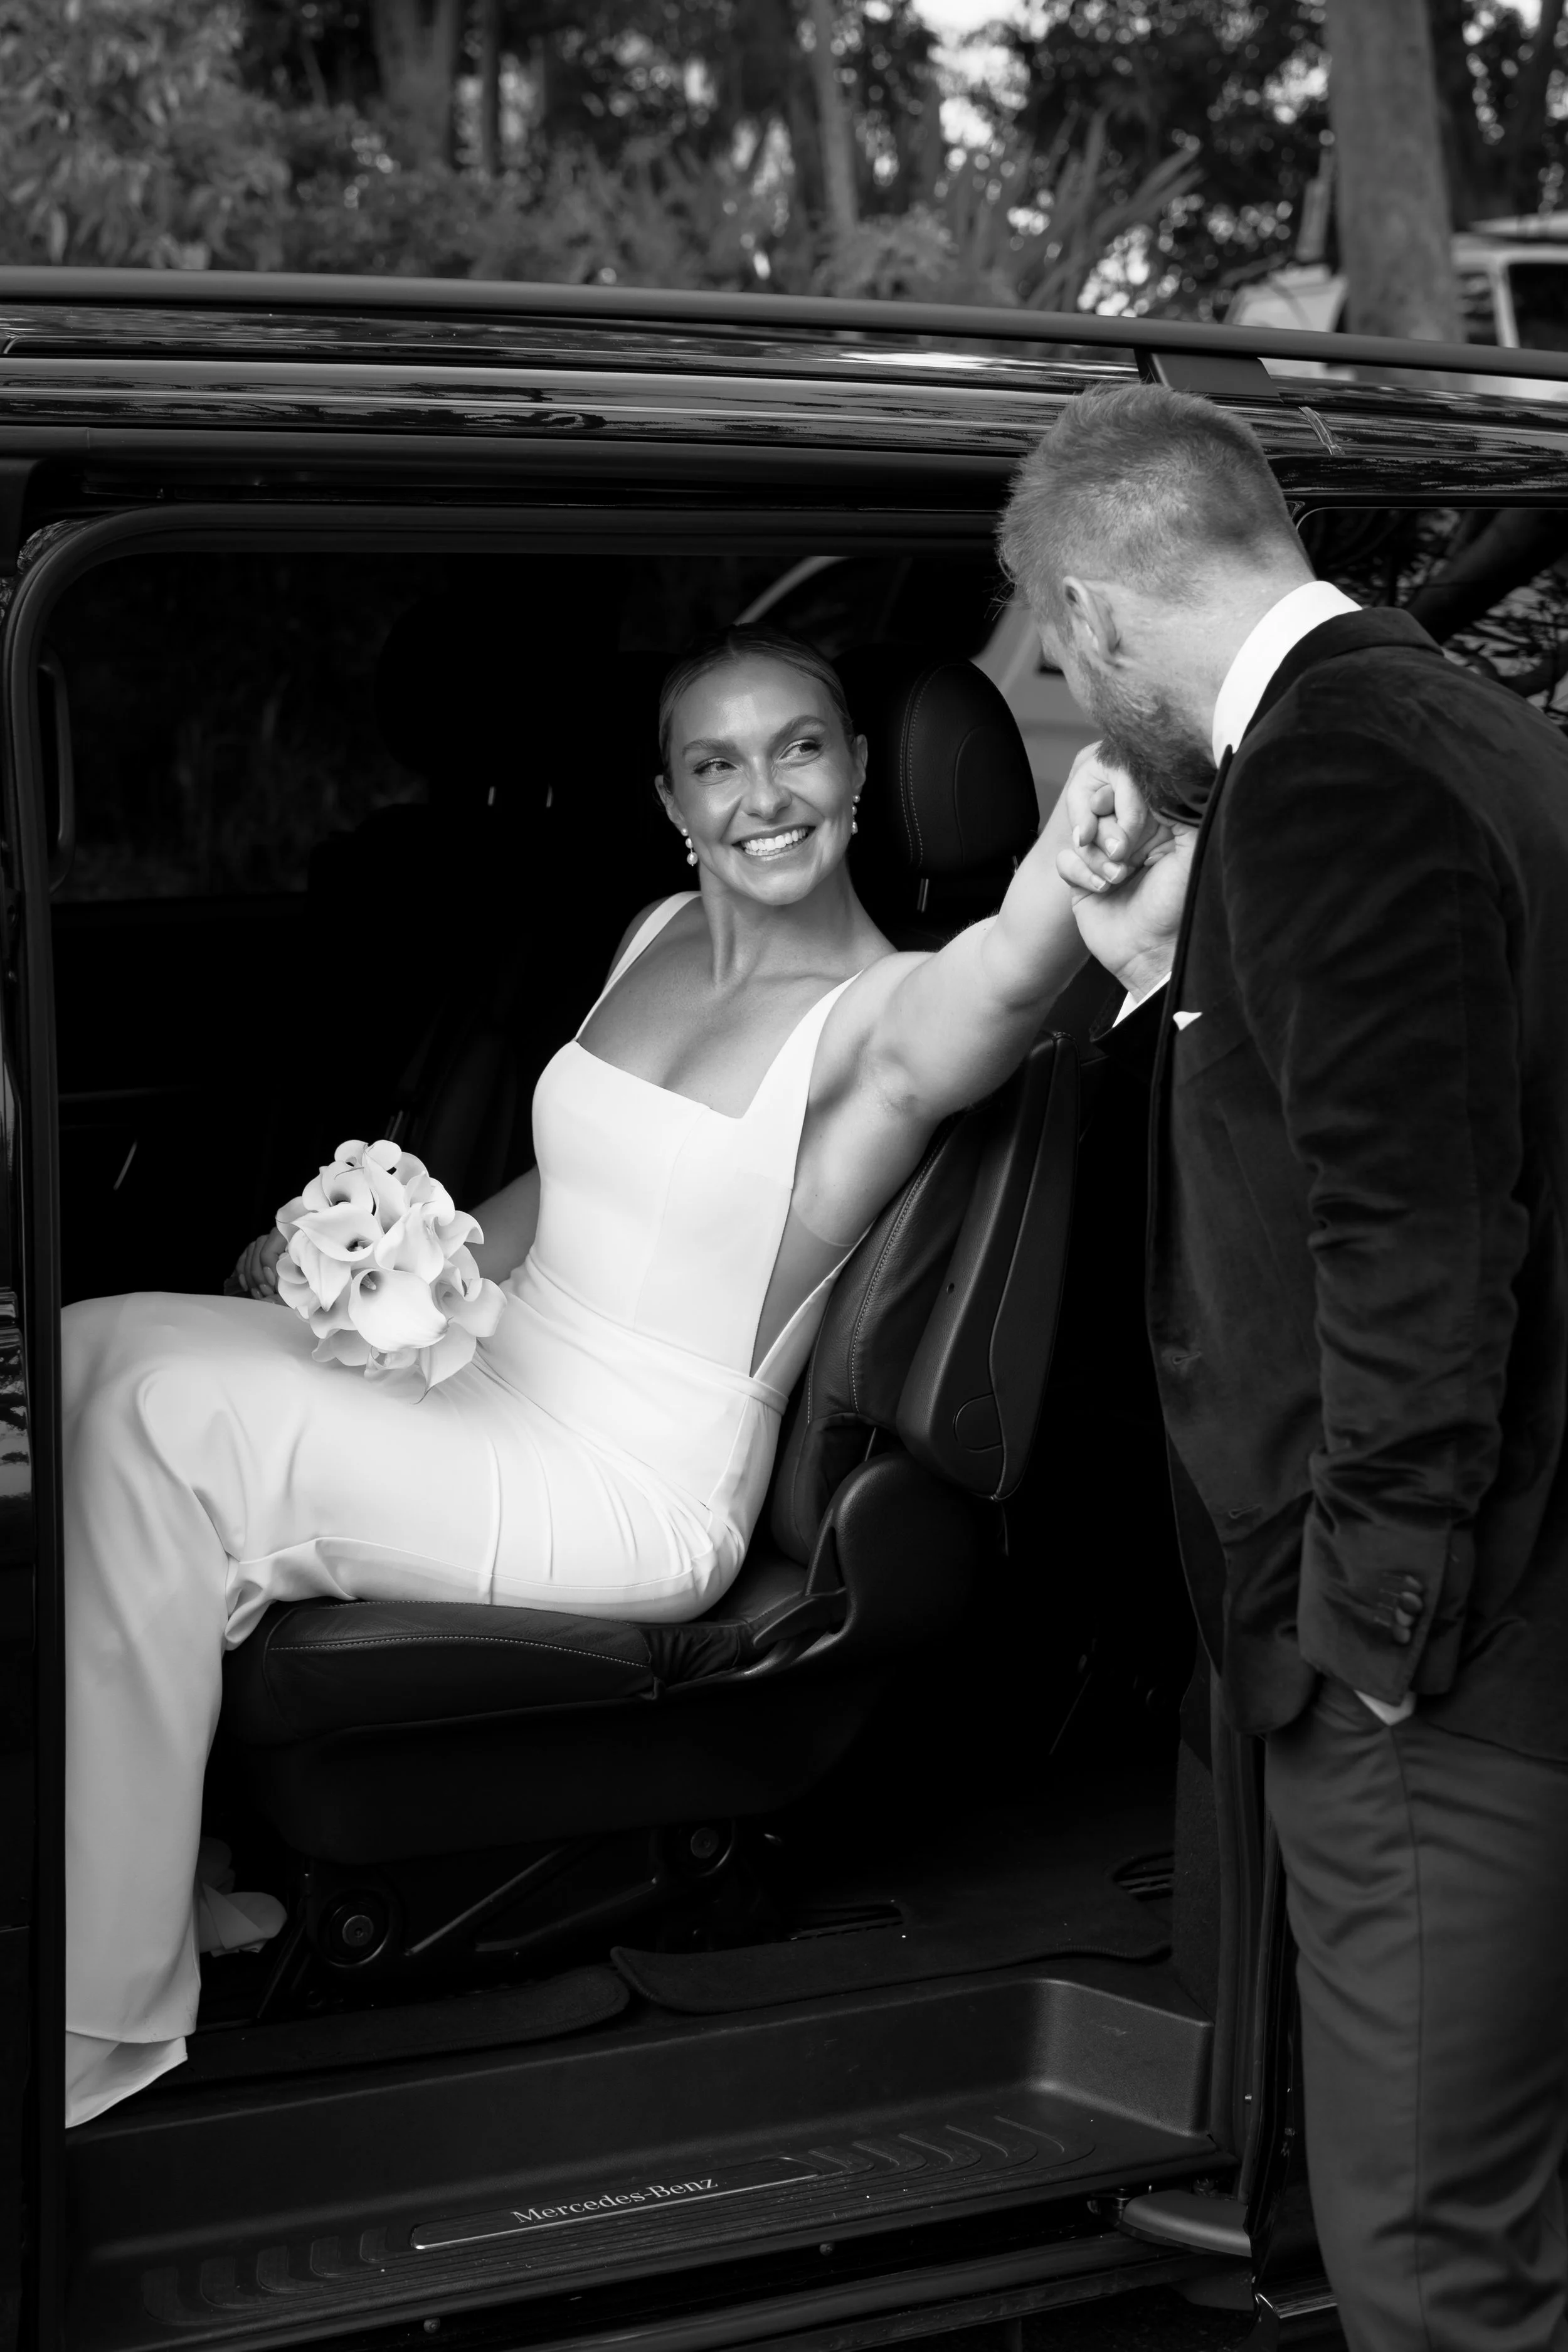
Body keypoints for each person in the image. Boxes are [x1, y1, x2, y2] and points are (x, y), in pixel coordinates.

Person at [63, 623, 1126, 2129]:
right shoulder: (654, 932)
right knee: (103, 1339)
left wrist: (1115, 775)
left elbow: (1015, 970)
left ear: (859, 773)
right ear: (670, 802)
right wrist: (387, 1268)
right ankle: (169, 1874)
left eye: (800, 750)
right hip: (497, 1364)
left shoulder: (882, 1020)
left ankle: (98, 2016)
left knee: (160, 1424)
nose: (764, 796)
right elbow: (564, 1191)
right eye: (716, 764)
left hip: (626, 1478)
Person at [999, 383, 1568, 2352]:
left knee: (1433, 2268)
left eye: (1060, 656)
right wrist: (1156, 964)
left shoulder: (1331, 772)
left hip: (1440, 1664)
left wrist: (1370, 1625)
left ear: (1092, 607)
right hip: (1485, 1626)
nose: (1077, 701)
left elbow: (1412, 1229)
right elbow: (1371, 1107)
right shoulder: (1444, 730)